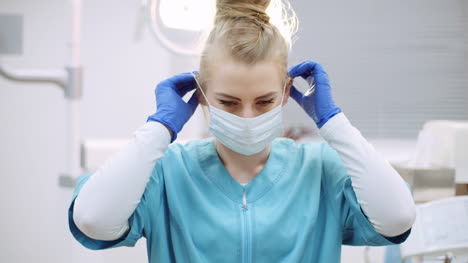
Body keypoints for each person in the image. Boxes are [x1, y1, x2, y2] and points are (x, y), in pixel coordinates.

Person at [68, 0, 416, 262]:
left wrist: (335, 124)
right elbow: (93, 220)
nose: (248, 116)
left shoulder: (320, 170)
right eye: (229, 103)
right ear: (201, 97)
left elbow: (397, 218)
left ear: (285, 94)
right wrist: (158, 129)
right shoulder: (168, 173)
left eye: (264, 101)